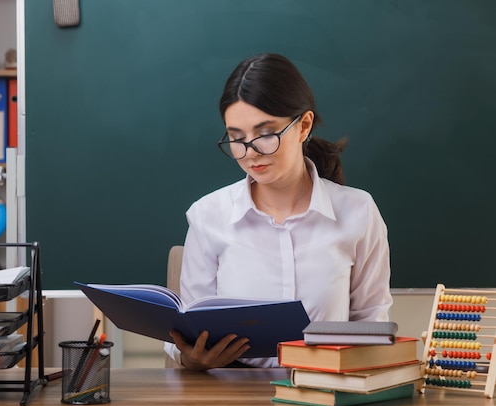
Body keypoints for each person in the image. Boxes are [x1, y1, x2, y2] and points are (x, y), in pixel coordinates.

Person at [164, 53, 393, 370]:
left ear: (304, 126)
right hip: (233, 394)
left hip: (326, 391)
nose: (251, 152)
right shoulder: (208, 216)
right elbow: (188, 329)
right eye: (236, 137)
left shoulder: (358, 211)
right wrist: (191, 357)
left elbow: (373, 324)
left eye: (266, 133)